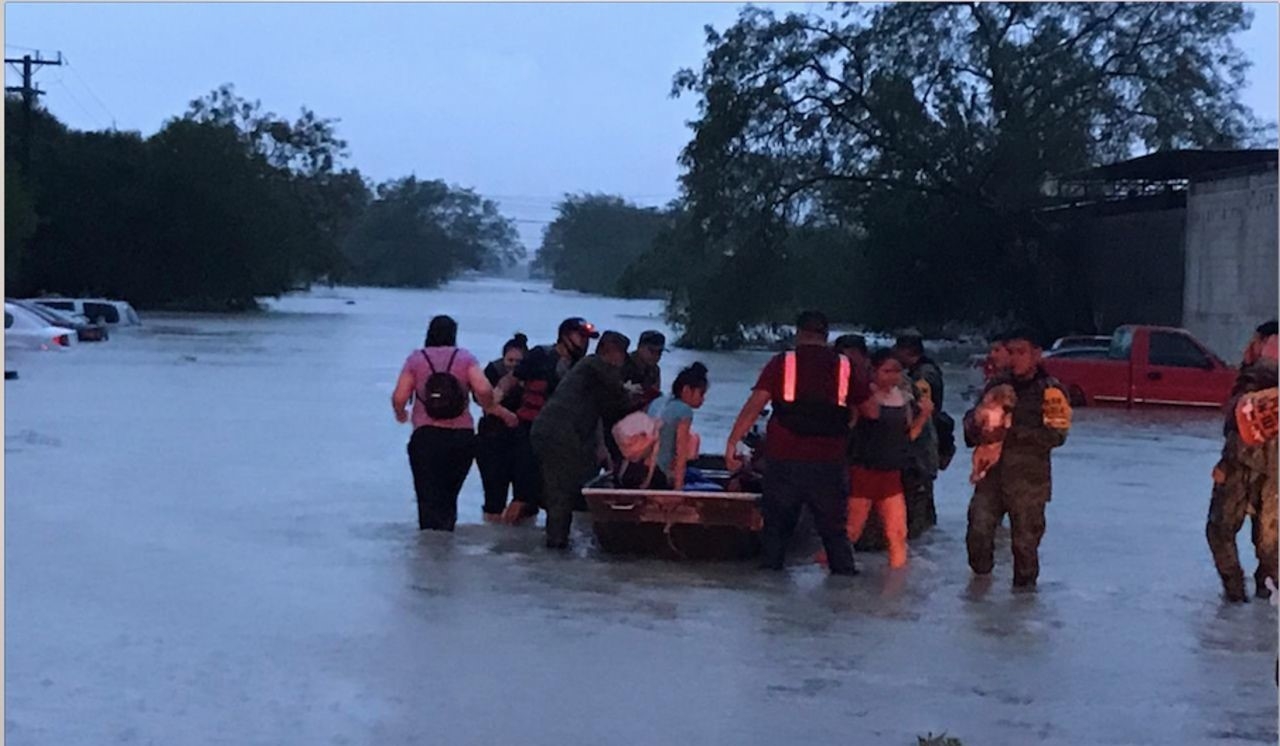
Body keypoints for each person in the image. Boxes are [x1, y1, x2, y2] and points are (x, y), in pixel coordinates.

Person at [724, 310, 871, 576]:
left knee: (776, 533)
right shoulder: (845, 367)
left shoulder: (782, 363)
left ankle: (771, 596)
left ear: (799, 334)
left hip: (783, 461)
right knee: (835, 535)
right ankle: (842, 600)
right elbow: (871, 411)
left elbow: (755, 405)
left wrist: (733, 441)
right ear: (826, 336)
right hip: (829, 462)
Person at [963, 328, 1071, 590]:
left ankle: (1022, 606)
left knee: (1025, 549)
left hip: (1029, 483)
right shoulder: (995, 385)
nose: (1015, 358)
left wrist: (1010, 431)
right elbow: (970, 427)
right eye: (1010, 352)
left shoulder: (1051, 390)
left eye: (1021, 352)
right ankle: (979, 594)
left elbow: (1057, 436)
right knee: (977, 534)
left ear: (1036, 354)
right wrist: (978, 424)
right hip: (991, 478)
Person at [391, 315, 514, 531]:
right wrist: (490, 407)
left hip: (425, 437)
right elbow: (484, 389)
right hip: (461, 439)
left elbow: (399, 397)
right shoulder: (464, 358)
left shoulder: (416, 360)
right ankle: (447, 547)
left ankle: (428, 553)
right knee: (449, 498)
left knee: (427, 499)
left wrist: (402, 414)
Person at [530, 331, 633, 549]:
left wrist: (601, 445)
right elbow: (619, 396)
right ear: (614, 353)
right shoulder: (593, 365)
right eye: (623, 356)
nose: (623, 362)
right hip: (558, 433)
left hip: (562, 433)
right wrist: (631, 392)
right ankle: (556, 544)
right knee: (561, 490)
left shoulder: (589, 371)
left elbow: (601, 408)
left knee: (566, 487)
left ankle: (560, 539)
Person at [501, 317, 599, 523]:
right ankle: (504, 539)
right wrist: (493, 407)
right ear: (565, 336)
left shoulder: (583, 368)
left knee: (555, 495)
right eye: (581, 336)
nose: (585, 342)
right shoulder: (540, 355)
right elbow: (509, 381)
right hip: (529, 433)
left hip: (561, 440)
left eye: (588, 338)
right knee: (523, 495)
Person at [1207, 319, 1278, 602]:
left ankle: (1236, 596)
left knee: (1219, 529)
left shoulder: (1256, 377)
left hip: (1245, 466)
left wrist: (1225, 464)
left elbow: (1243, 425)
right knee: (1271, 547)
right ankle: (1267, 596)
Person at [845, 349, 933, 568]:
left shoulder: (904, 398)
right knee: (851, 531)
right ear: (873, 371)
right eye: (887, 371)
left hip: (892, 472)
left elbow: (908, 436)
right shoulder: (862, 397)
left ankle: (896, 592)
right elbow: (849, 429)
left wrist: (923, 416)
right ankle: (832, 574)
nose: (893, 376)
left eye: (897, 371)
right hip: (864, 470)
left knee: (897, 534)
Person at [893, 332, 950, 537]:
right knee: (923, 505)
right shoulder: (925, 371)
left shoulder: (923, 376)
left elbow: (922, 410)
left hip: (921, 448)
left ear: (907, 352)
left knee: (919, 509)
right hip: (924, 447)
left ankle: (920, 550)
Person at [476, 333, 532, 522]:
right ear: (503, 358)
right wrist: (507, 383)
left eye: (518, 361)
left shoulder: (533, 372)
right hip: (493, 436)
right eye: (510, 360)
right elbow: (483, 401)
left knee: (525, 497)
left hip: (523, 437)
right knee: (493, 495)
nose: (513, 365)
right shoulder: (493, 370)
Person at [649, 362, 711, 491]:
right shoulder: (684, 411)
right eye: (701, 394)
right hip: (659, 475)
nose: (703, 399)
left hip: (643, 469)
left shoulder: (658, 401)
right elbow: (681, 452)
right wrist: (678, 489)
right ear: (686, 390)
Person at [621, 330, 666, 412]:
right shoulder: (623, 363)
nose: (656, 356)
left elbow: (654, 395)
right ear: (639, 347)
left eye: (659, 352)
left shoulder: (654, 370)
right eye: (651, 351)